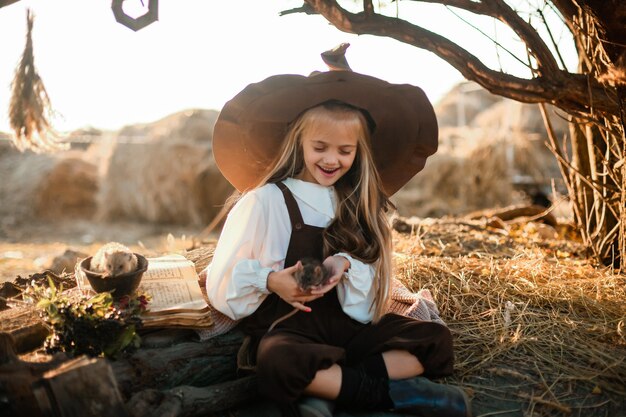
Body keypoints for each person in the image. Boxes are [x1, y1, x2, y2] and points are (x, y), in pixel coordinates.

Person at [203, 70, 471, 417]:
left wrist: (345, 265)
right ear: (298, 142)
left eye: (345, 151)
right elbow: (223, 278)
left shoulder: (356, 203)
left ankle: (331, 388)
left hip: (349, 327)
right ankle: (391, 396)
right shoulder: (265, 201)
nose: (332, 160)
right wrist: (271, 281)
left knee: (434, 341)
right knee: (278, 362)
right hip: (290, 327)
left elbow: (374, 288)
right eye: (320, 148)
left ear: (359, 152)